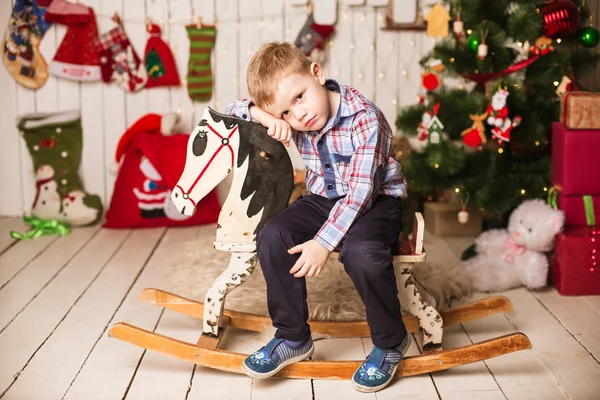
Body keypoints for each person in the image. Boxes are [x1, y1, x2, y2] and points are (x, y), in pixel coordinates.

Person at [225, 42, 409, 393]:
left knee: (362, 252)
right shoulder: (291, 117)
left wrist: (323, 243)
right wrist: (265, 115)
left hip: (376, 202)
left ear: (317, 74)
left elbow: (360, 194)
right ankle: (293, 336)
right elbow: (230, 111)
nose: (299, 116)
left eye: (300, 97)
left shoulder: (364, 118)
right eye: (287, 113)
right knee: (273, 235)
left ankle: (390, 340)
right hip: (324, 199)